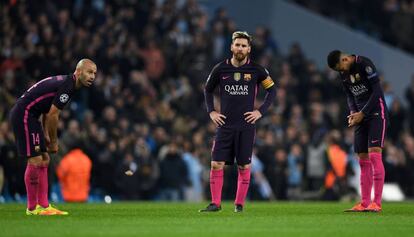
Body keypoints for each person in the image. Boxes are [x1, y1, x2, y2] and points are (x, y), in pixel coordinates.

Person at [9, 59, 97, 215]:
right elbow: (53, 115)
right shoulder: (68, 86)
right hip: (24, 114)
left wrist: (44, 133)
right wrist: (54, 141)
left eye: (94, 73)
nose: (93, 76)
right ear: (78, 71)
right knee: (35, 159)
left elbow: (45, 107)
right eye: (89, 72)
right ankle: (32, 208)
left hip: (33, 115)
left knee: (45, 159)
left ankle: (44, 205)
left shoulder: (68, 83)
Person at [200, 31, 276, 213]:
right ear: (231, 47)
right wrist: (211, 112)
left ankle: (239, 205)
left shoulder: (257, 70)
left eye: (243, 45)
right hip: (225, 126)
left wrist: (260, 111)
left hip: (246, 127)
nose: (240, 48)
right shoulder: (220, 69)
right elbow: (207, 90)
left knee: (244, 165)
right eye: (237, 45)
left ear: (249, 49)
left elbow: (272, 91)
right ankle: (215, 204)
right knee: (216, 164)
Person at [327, 50, 387, 212]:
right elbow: (349, 95)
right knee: (362, 158)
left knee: (374, 153)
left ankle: (377, 203)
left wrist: (363, 113)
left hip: (375, 113)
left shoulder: (364, 64)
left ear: (345, 59)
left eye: (341, 67)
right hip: (361, 115)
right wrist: (354, 113)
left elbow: (378, 92)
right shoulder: (343, 73)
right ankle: (365, 203)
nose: (342, 72)